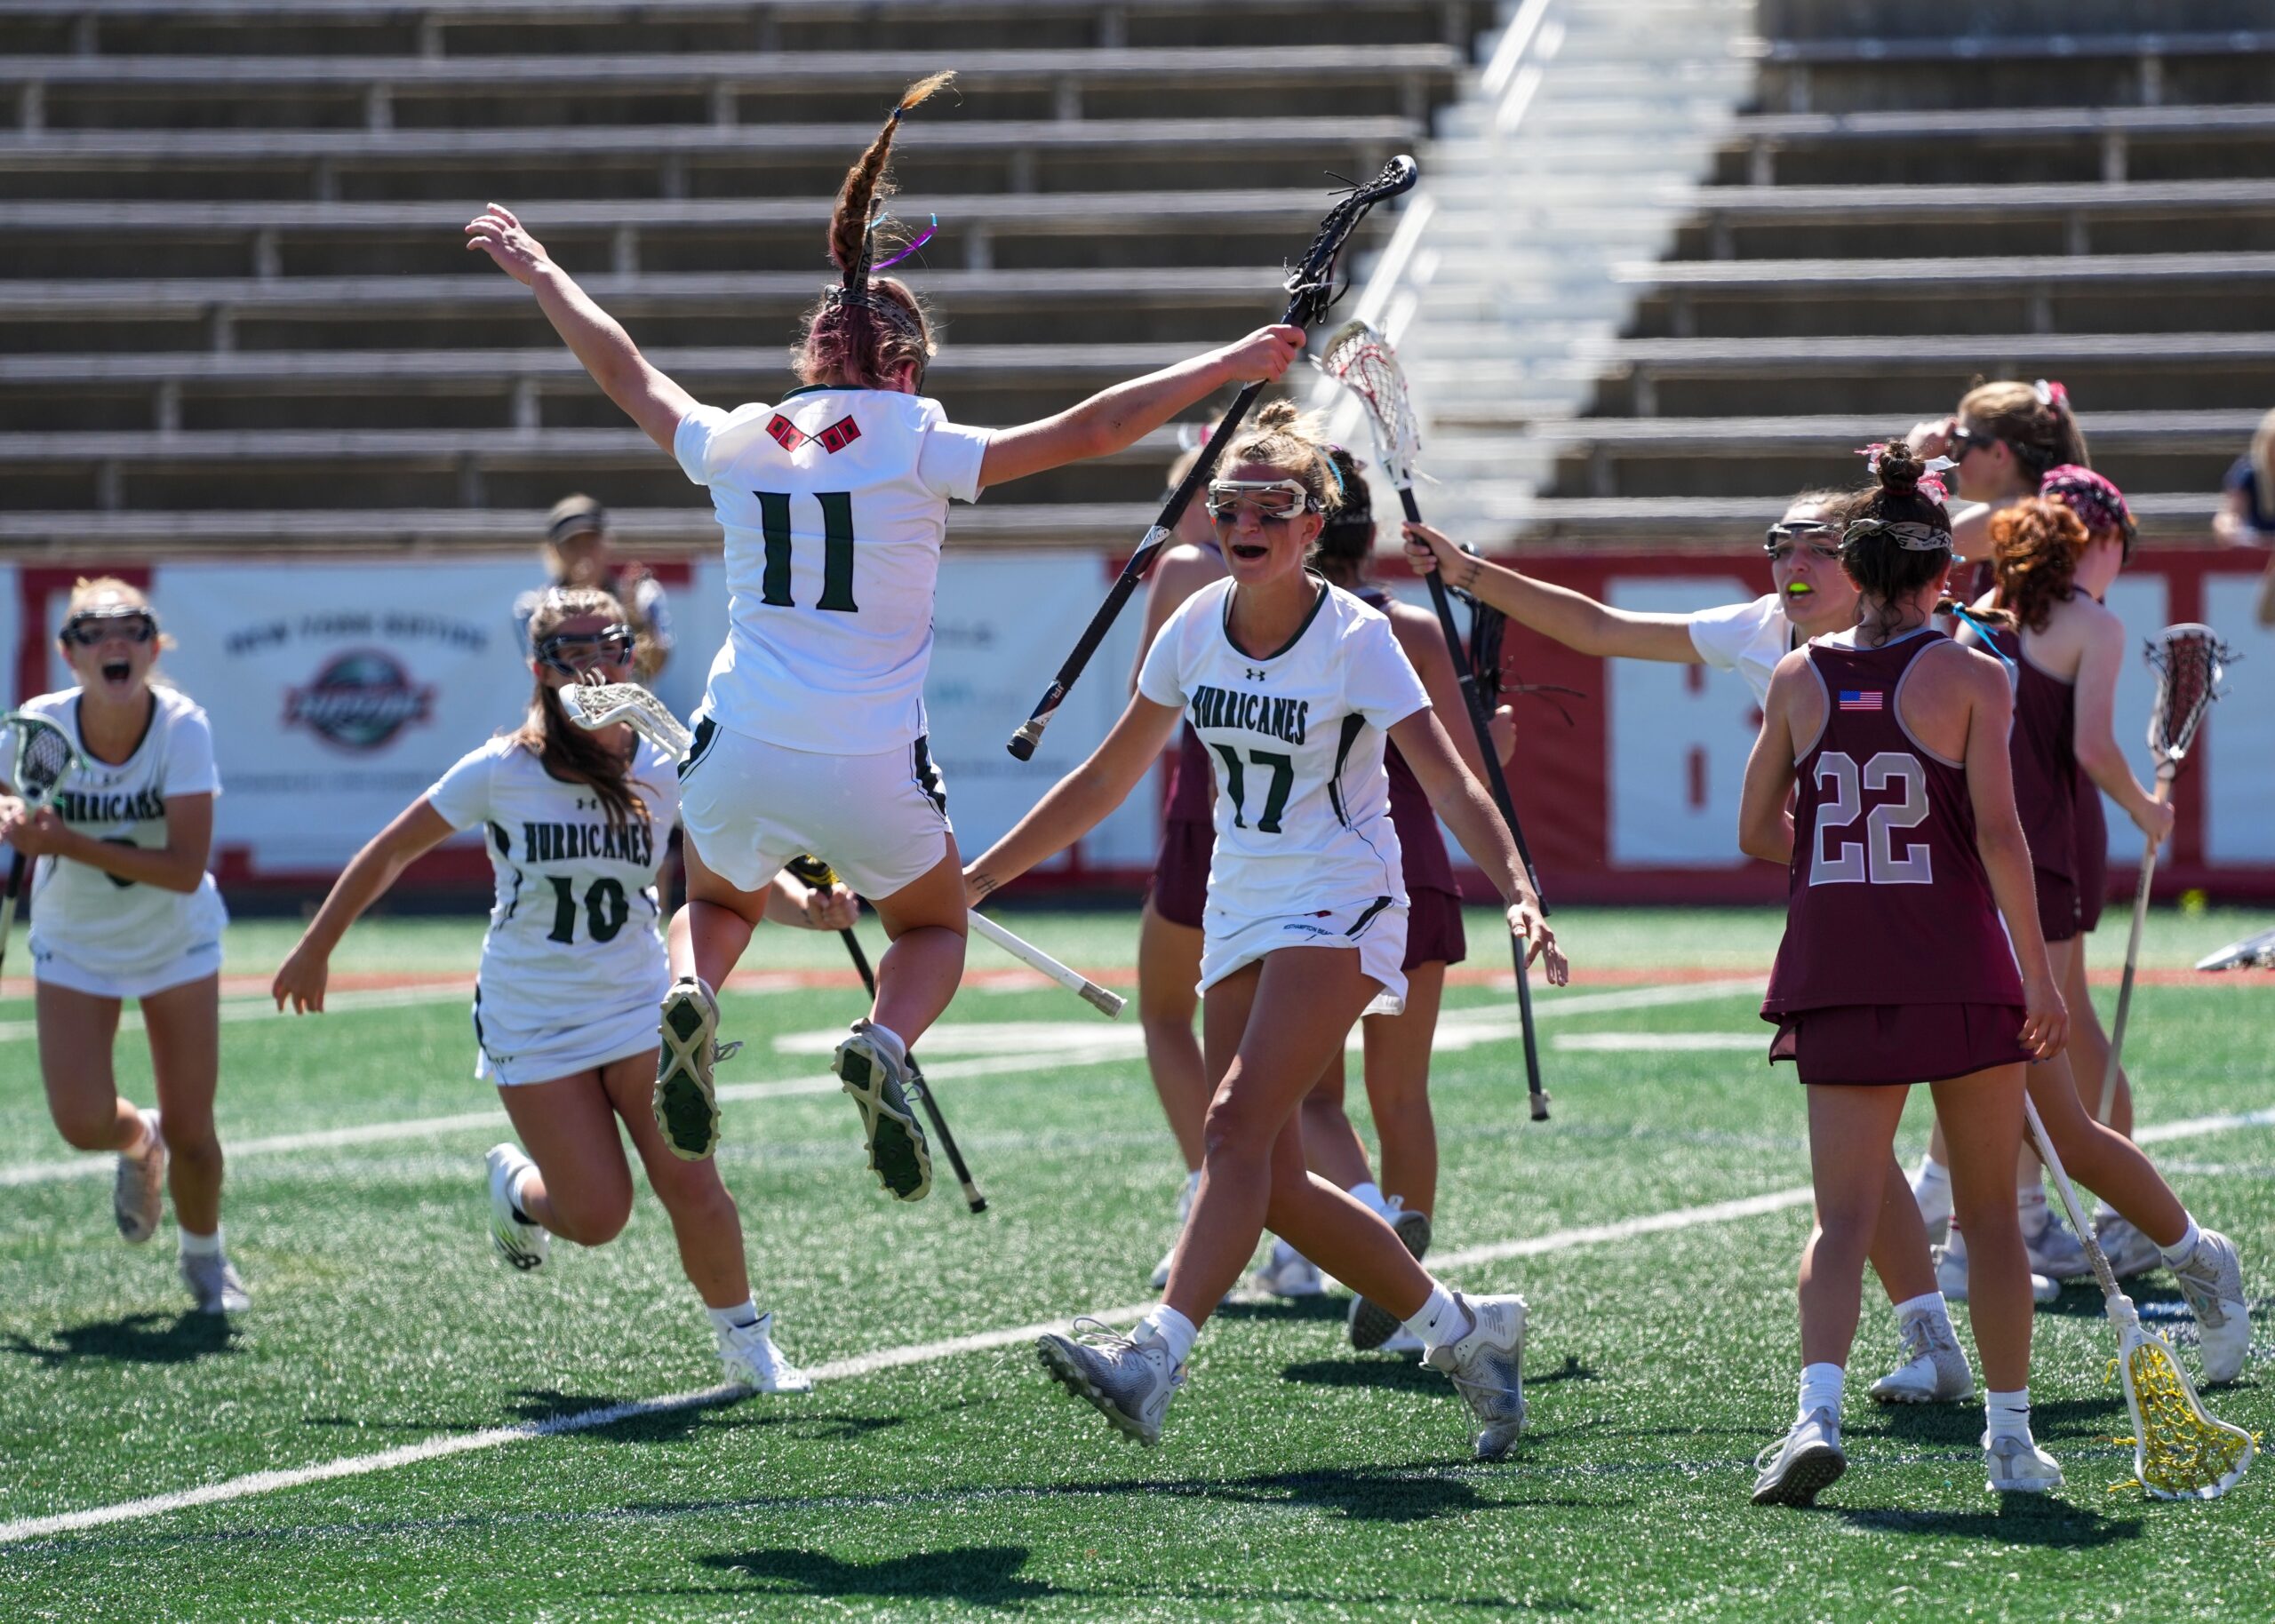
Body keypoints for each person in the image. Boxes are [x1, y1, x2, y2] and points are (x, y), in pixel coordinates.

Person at [466, 73, 1306, 1194]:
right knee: (934, 931)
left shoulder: (737, 435)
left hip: (737, 743)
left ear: (812, 358)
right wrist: (1228, 364)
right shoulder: (921, 436)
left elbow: (623, 367)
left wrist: (544, 272)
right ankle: (884, 1041)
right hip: (870, 754)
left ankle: (694, 996)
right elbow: (1095, 427)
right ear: (907, 365)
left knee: (715, 900)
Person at [963, 403, 1565, 1456]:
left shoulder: (1356, 635)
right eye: (1226, 505)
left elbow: (1448, 775)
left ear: (1310, 522)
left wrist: (1517, 883)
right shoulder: (1194, 625)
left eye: (1270, 506)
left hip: (1346, 896)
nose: (1243, 522)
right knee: (1272, 1178)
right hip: (1241, 902)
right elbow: (1107, 774)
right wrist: (978, 876)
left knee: (1235, 1123)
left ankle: (1152, 1360)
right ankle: (1465, 1330)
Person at [1405, 488, 1994, 1402]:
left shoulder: (1946, 647)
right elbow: (1601, 629)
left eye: (1817, 548)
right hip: (1845, 901)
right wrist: (1466, 571)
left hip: (1949, 904)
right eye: (1779, 546)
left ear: (1869, 561)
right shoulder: (1764, 632)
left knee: (2050, 1126)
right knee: (1856, 1144)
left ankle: (2189, 1256)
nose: (1794, 566)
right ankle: (1933, 1338)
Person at [272, 588, 850, 1391]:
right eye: (567, 654)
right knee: (598, 1217)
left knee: (693, 1179)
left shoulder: (669, 763)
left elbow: (743, 867)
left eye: (604, 647)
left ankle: (749, 1345)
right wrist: (317, 946)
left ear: (633, 654)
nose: (590, 666)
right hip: (532, 1012)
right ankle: (516, 1189)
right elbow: (391, 850)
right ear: (540, 671)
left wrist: (811, 907)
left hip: (640, 1002)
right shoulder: (504, 767)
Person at [1738, 442, 2063, 1504]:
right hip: (1960, 966)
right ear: (1941, 577)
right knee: (1983, 1216)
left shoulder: (1798, 671)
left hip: (1836, 963)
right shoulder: (1974, 674)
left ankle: (1812, 1415)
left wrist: (1844, 870)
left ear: (1856, 567)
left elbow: (1755, 829)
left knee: (1841, 1218)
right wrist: (2042, 977)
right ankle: (2010, 1442)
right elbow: (2004, 838)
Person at [1939, 500, 2250, 1381]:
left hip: (2001, 857)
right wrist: (2144, 809)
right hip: (2022, 853)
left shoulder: (1972, 629)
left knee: (2049, 1084)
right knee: (2017, 1066)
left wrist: (2140, 806)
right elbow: (2083, 745)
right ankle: (1977, 1255)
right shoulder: (2066, 625)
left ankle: (2180, 1247)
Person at [1296, 445, 1518, 1354]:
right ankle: (1406, 1231)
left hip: (1320, 877)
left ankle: (1382, 1243)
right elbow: (1470, 769)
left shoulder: (1295, 628)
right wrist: (1497, 730)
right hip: (1417, 868)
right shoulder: (1410, 629)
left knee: (1314, 1099)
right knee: (1403, 1094)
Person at [1, 579, 246, 1315]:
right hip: (75, 939)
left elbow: (182, 868)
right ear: (68, 653)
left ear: (153, 647)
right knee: (81, 1123)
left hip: (176, 940)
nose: (115, 643)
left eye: (133, 629)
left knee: (197, 1130)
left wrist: (64, 839)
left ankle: (206, 1262)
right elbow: (13, 799)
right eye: (93, 631)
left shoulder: (181, 728)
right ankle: (142, 1141)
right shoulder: (39, 726)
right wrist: (13, 815)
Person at [1129, 436, 1232, 1292]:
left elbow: (1146, 699)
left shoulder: (1190, 567)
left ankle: (1211, 1192)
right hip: (1325, 822)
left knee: (1167, 1013)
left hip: (1210, 805)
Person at [1905, 378, 2089, 558]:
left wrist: (1911, 462)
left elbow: (1904, 549)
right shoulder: (2049, 513)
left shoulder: (2016, 517)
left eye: (1959, 444)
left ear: (1998, 454)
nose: (1952, 464)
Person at [512, 495, 676, 685]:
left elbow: (654, 667)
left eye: (591, 542)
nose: (583, 553)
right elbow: (542, 672)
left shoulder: (642, 596)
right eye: (573, 544)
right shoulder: (534, 608)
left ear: (606, 543)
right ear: (555, 551)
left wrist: (632, 615)